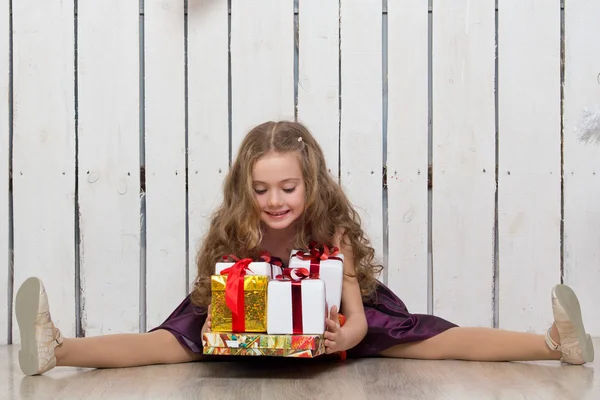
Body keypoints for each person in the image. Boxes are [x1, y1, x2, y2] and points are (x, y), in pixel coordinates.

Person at [15, 121, 594, 376]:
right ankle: (57, 350)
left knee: (429, 336)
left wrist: (349, 332)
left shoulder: (329, 230)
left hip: (334, 319)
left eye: (287, 188)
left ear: (310, 184)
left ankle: (553, 343)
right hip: (252, 323)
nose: (274, 201)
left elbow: (358, 315)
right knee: (168, 342)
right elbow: (220, 304)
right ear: (245, 190)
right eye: (261, 189)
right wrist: (233, 318)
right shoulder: (238, 231)